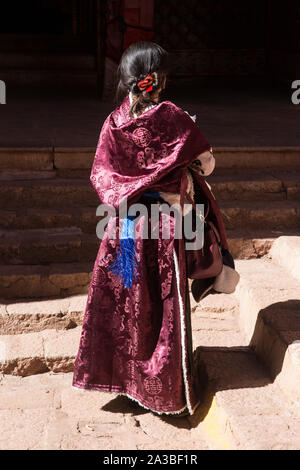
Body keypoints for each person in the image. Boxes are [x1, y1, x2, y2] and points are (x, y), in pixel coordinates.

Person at [72, 41, 238, 418]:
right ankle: (163, 390)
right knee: (162, 306)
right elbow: (206, 164)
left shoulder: (114, 121)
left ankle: (124, 383)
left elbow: (101, 176)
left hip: (124, 230)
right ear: (157, 79)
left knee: (127, 302)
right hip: (165, 228)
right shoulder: (172, 116)